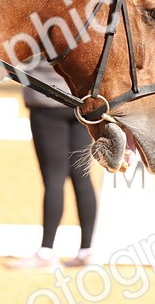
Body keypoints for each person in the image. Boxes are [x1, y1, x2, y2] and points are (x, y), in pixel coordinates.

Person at [8, 56, 98, 269]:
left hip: (46, 102)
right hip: (81, 102)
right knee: (83, 178)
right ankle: (87, 250)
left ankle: (46, 252)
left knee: (54, 179)